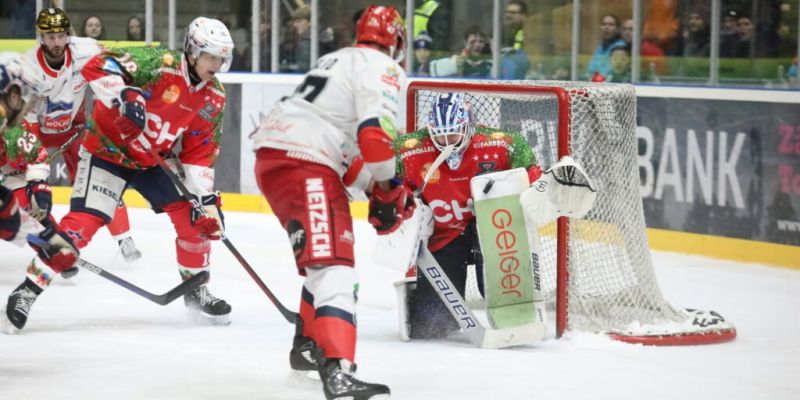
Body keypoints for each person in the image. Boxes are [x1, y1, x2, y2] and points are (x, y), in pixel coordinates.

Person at [3, 16, 234, 331]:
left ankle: (196, 290)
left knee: (195, 219)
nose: (217, 64)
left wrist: (205, 201)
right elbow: (98, 65)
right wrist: (126, 95)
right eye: (211, 57)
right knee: (80, 227)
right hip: (107, 153)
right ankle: (28, 290)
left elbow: (199, 152)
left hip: (152, 161)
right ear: (192, 52)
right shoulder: (159, 62)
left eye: (221, 58)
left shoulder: (214, 96)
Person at [252, 5, 412, 399]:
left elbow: (346, 151)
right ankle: (338, 369)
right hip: (305, 162)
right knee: (335, 267)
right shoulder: (383, 66)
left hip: (278, 158)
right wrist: (387, 189)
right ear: (397, 41)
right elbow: (375, 138)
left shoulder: (337, 58)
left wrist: (377, 189)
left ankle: (308, 347)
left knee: (322, 260)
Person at [394, 92, 542, 339]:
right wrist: (408, 211)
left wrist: (539, 190)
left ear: (469, 125)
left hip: (495, 233)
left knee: (513, 318)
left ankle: (515, 311)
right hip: (443, 235)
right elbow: (390, 189)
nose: (446, 142)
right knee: (431, 327)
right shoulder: (408, 151)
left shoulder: (503, 145)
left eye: (453, 134)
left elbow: (533, 179)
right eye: (439, 135)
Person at [22, 8, 141, 262]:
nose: (56, 42)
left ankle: (124, 238)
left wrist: (127, 95)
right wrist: (34, 168)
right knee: (30, 191)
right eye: (50, 37)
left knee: (99, 181)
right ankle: (55, 248)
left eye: (61, 36)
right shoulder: (28, 67)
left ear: (68, 34)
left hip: (75, 130)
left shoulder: (87, 48)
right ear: (41, 37)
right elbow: (26, 123)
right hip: (38, 133)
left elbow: (120, 61)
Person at [586, 14, 626, 80]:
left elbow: (613, 72)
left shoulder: (621, 47)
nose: (606, 27)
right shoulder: (600, 47)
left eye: (611, 24)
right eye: (604, 24)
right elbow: (590, 69)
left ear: (618, 29)